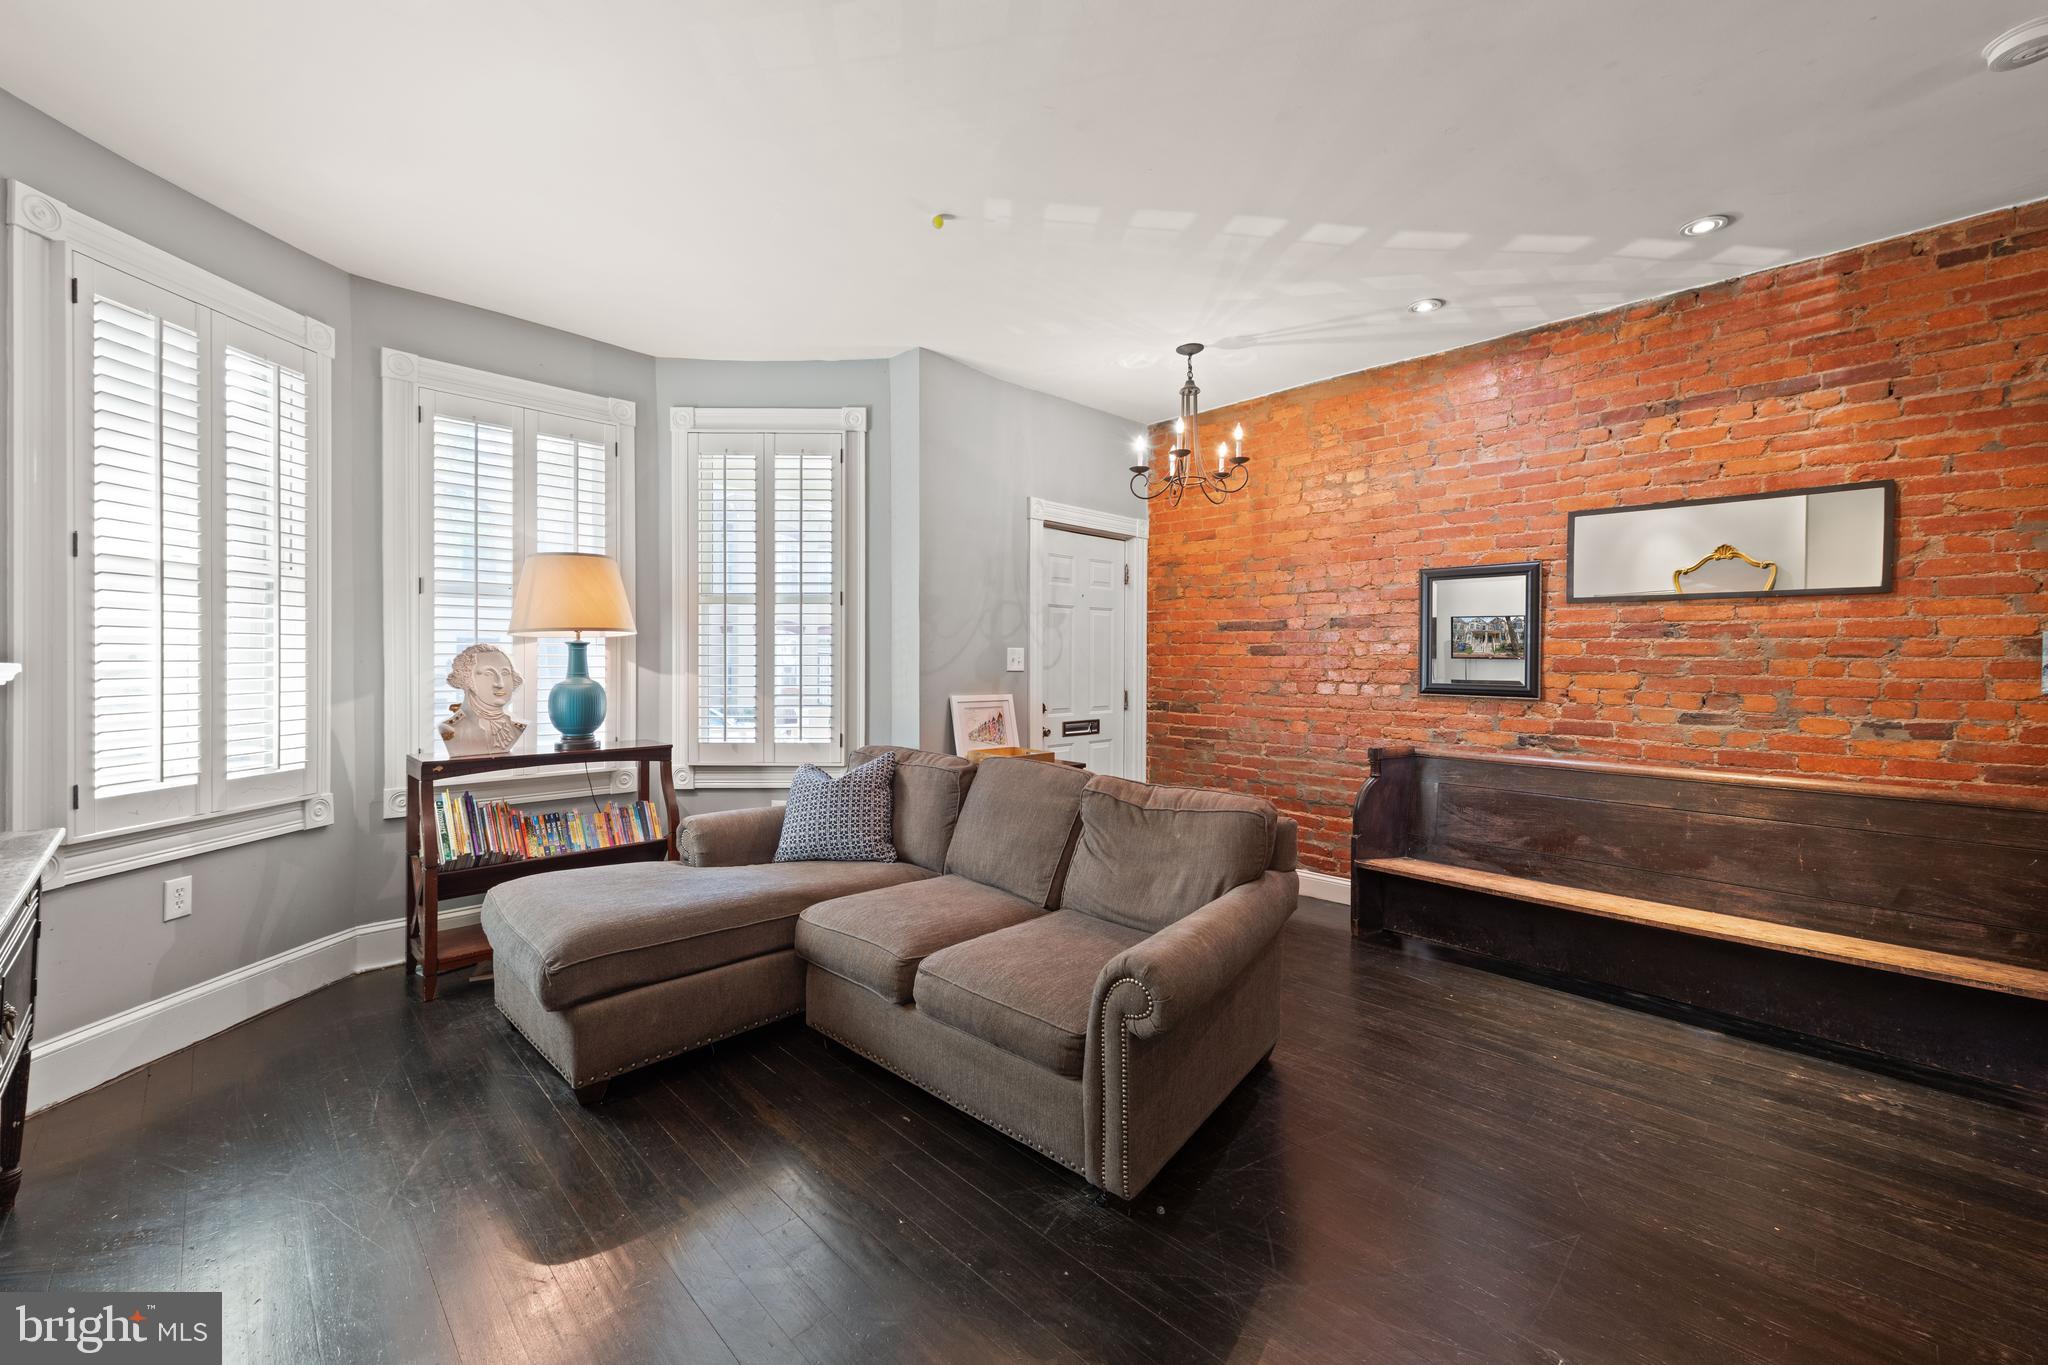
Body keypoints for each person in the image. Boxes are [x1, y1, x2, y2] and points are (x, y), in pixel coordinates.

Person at [439, 643, 527, 755]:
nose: (500, 683)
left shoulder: (518, 728)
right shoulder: (450, 730)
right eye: (488, 674)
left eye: (505, 673)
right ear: (466, 678)